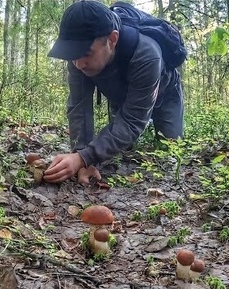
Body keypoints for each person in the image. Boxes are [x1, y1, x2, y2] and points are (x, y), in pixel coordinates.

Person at [43, 0, 184, 184]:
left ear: (112, 39)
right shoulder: (77, 58)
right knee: (122, 149)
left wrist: (83, 157)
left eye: (86, 53)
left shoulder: (147, 54)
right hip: (120, 95)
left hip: (165, 95)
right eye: (73, 54)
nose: (78, 63)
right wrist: (81, 156)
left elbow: (132, 120)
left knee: (170, 154)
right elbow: (79, 107)